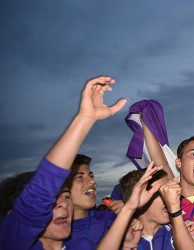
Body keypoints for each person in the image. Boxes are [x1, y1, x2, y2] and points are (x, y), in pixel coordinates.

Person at [0, 76, 126, 249]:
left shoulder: (83, 245)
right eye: (51, 201)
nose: (62, 203)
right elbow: (42, 189)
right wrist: (85, 119)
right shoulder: (13, 243)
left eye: (66, 196)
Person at [63, 154, 121, 246]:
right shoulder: (46, 229)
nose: (92, 181)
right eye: (80, 177)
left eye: (91, 176)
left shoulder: (109, 221)